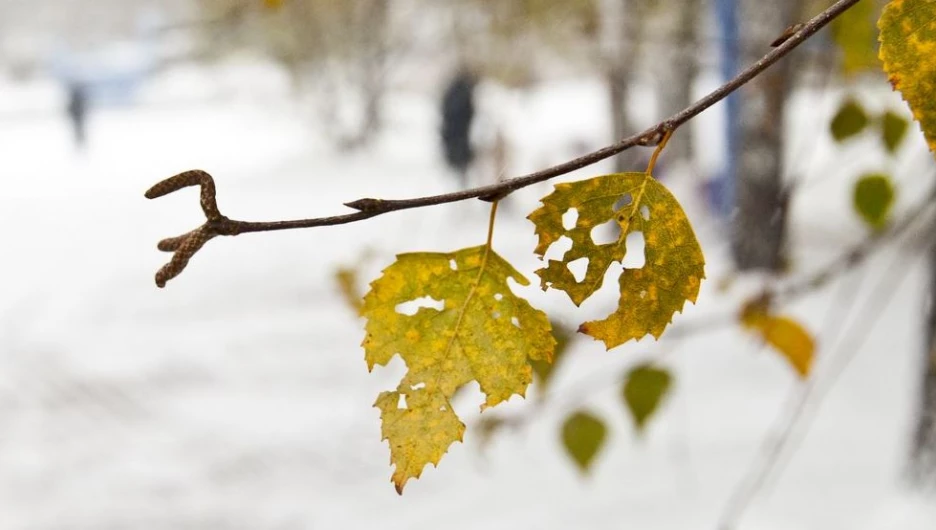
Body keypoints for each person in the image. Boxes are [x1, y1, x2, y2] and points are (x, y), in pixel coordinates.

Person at [440, 69, 477, 188]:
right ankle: (459, 185)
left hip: (456, 134)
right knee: (459, 163)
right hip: (458, 135)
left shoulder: (454, 92)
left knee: (459, 163)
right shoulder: (462, 94)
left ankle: (460, 185)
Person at [66, 82, 89, 149]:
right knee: (78, 129)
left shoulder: (77, 98)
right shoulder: (78, 98)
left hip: (78, 117)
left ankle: (81, 141)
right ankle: (80, 141)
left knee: (79, 129)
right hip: (78, 117)